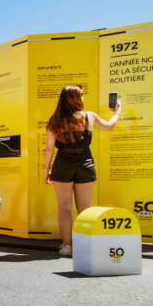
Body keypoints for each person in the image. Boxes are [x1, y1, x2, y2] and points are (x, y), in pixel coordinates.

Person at [43, 85, 121, 256]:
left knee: (64, 207)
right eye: (81, 96)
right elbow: (109, 126)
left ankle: (66, 246)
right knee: (84, 208)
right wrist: (117, 111)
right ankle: (84, 246)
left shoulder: (55, 120)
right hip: (85, 165)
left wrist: (46, 171)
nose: (83, 99)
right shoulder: (89, 117)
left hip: (62, 166)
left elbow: (49, 149)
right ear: (77, 99)